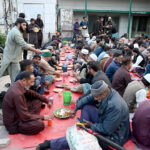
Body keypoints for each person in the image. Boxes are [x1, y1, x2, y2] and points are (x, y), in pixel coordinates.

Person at [36, 80, 130, 150]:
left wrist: (90, 126)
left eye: (97, 97)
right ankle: (81, 129)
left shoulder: (115, 106)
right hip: (106, 121)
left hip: (114, 137)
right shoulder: (106, 91)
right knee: (87, 107)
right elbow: (88, 99)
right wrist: (75, 108)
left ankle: (51, 143)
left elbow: (107, 130)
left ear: (104, 93)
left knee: (81, 138)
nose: (95, 99)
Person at [0, 18, 42, 83]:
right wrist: (36, 50)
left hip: (14, 58)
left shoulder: (18, 31)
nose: (25, 27)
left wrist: (30, 46)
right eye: (24, 25)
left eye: (25, 25)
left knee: (15, 77)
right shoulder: (16, 32)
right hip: (12, 59)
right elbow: (23, 45)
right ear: (18, 24)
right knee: (16, 79)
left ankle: (14, 89)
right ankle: (15, 91)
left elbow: (22, 43)